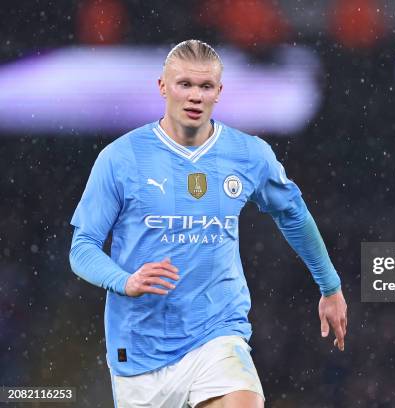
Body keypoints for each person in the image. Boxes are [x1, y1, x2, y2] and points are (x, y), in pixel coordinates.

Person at [69, 39, 347, 408]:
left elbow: (293, 214)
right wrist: (126, 281)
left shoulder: (248, 154)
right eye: (185, 84)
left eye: (206, 86)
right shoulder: (120, 158)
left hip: (217, 333)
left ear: (219, 91)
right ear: (163, 86)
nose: (195, 96)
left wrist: (330, 286)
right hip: (140, 346)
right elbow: (82, 247)